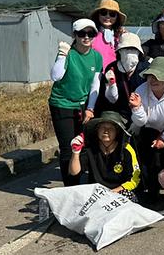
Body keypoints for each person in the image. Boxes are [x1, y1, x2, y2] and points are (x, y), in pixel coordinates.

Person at [49, 18, 103, 186]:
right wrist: (62, 55)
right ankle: (70, 186)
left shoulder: (96, 57)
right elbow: (55, 76)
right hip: (62, 103)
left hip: (82, 104)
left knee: (82, 144)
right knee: (68, 147)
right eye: (81, 33)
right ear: (75, 35)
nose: (86, 37)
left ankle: (80, 181)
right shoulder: (69, 53)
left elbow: (95, 84)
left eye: (90, 33)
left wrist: (90, 108)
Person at [129, 56, 164, 204]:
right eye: (150, 76)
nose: (153, 80)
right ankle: (151, 194)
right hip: (147, 129)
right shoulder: (140, 91)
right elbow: (141, 121)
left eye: (158, 76)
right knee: (149, 161)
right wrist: (137, 108)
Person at [68, 111, 141, 202]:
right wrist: (75, 152)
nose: (106, 131)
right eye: (102, 127)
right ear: (97, 130)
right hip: (95, 193)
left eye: (111, 128)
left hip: (119, 191)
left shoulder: (126, 149)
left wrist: (112, 192)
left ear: (117, 131)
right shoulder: (90, 148)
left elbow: (134, 179)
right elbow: (74, 172)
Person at [94, 31, 147, 124]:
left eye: (133, 49)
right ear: (119, 51)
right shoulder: (112, 68)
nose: (129, 53)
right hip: (118, 115)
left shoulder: (145, 68)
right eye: (126, 49)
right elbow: (110, 99)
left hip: (142, 113)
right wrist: (111, 85)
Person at [90, 0, 127, 68]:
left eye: (112, 14)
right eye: (103, 13)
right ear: (98, 15)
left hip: (116, 74)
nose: (107, 16)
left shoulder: (120, 37)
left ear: (117, 18)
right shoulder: (90, 36)